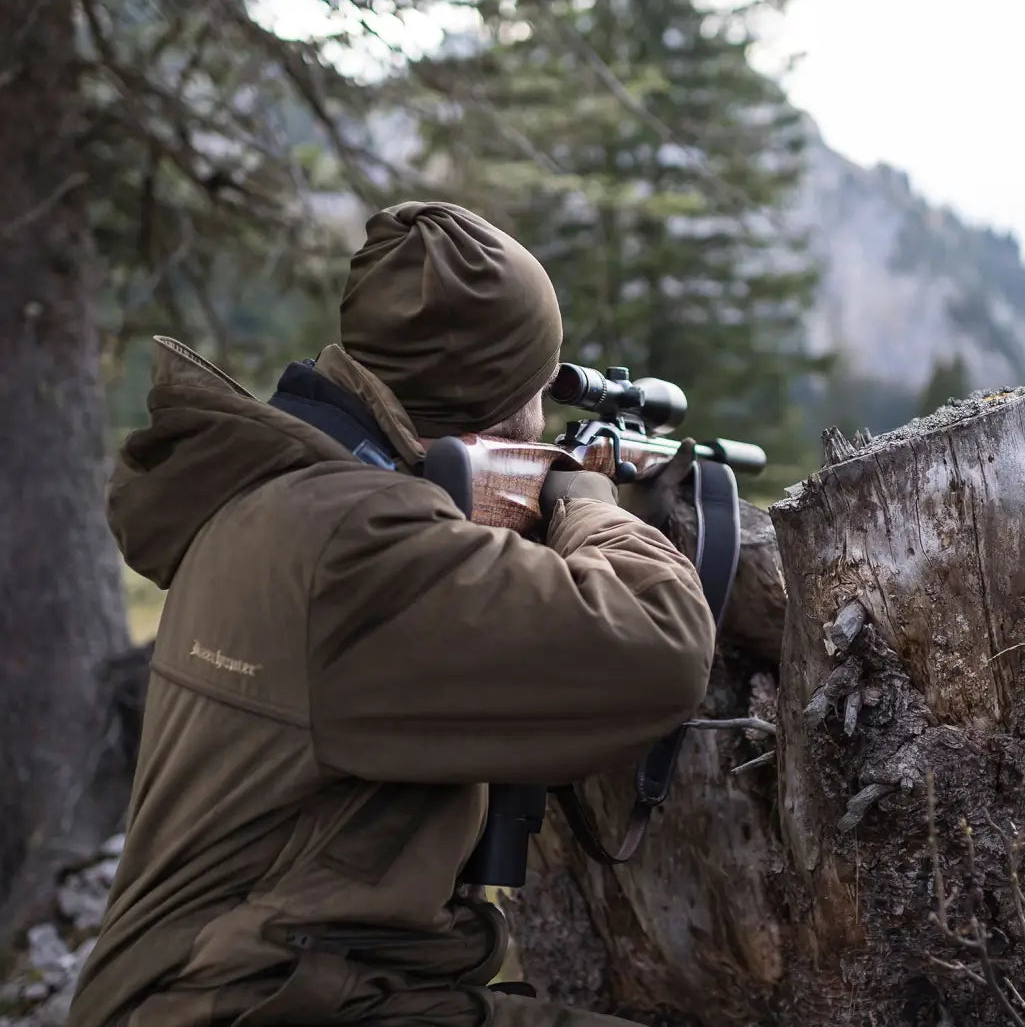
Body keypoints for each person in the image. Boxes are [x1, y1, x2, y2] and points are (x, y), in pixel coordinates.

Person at [68, 201, 716, 1027]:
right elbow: (660, 645)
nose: (541, 421)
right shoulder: (358, 539)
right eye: (532, 393)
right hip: (258, 1001)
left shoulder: (272, 498)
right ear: (496, 403)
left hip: (243, 985)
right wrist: (587, 499)